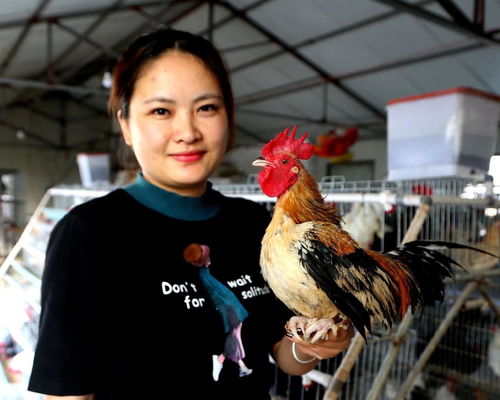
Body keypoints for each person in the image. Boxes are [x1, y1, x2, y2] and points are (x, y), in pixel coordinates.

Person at [28, 28, 353, 399]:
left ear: (228, 116)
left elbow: (283, 352)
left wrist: (310, 345)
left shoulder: (256, 225)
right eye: (161, 111)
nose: (187, 131)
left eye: (207, 108)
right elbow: (65, 391)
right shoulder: (89, 233)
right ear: (125, 125)